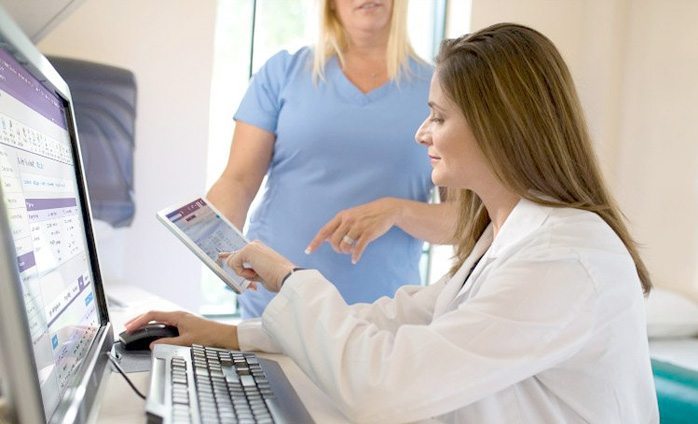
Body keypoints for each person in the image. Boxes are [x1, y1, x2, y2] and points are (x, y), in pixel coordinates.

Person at [128, 23, 659, 422]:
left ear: (501, 126)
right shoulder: (510, 241)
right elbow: (401, 317)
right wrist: (227, 336)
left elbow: (386, 387)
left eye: (439, 116)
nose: (421, 134)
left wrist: (287, 279)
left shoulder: (562, 257)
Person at [206, 0, 455, 319]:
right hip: (275, 305)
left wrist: (398, 211)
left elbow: (462, 221)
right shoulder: (284, 73)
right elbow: (238, 181)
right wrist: (215, 246)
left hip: (381, 318)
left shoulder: (439, 89)